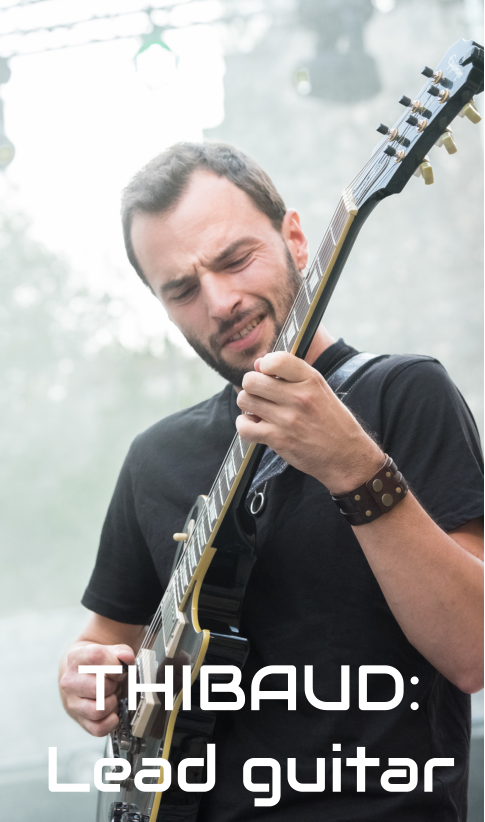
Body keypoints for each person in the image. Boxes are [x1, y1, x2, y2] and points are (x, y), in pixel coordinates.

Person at [59, 143, 484, 821]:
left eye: (235, 259)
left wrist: (355, 469)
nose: (220, 301)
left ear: (295, 239)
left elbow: (474, 651)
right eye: (182, 290)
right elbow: (106, 638)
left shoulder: (404, 394)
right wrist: (84, 674)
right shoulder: (154, 459)